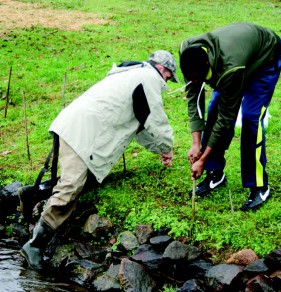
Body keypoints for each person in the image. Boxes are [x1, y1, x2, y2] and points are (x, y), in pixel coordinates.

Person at [19, 50, 179, 270]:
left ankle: (33, 195)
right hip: (82, 132)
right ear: (162, 69)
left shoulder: (130, 75)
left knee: (86, 180)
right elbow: (155, 118)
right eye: (169, 77)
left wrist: (159, 149)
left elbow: (141, 123)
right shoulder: (149, 78)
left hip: (76, 125)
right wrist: (167, 146)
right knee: (71, 187)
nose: (167, 82)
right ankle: (35, 246)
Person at [179, 22, 281, 211]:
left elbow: (226, 118)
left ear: (207, 65)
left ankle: (259, 186)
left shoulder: (230, 68)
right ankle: (215, 173)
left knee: (251, 118)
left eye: (198, 78)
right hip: (239, 56)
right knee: (214, 110)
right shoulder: (188, 53)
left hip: (265, 57)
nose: (194, 82)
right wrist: (196, 143)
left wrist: (201, 159)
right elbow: (194, 101)